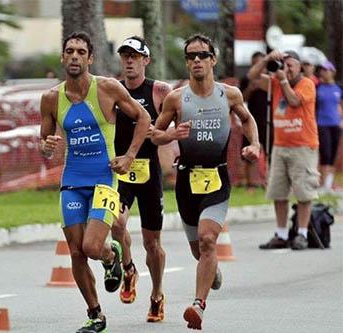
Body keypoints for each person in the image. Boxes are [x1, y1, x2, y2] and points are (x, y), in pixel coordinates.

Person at [40, 31, 150, 333]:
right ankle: (95, 314)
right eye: (69, 51)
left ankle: (111, 253)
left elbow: (143, 119)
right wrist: (46, 146)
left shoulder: (108, 88)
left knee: (91, 246)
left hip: (105, 179)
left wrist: (128, 156)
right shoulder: (51, 98)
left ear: (90, 58)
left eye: (80, 52)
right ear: (63, 58)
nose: (74, 56)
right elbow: (44, 140)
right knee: (75, 251)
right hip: (72, 180)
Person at [152, 34, 260, 330]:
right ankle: (211, 270)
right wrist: (171, 136)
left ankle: (198, 306)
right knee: (198, 250)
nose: (196, 60)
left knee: (208, 239)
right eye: (190, 56)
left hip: (216, 176)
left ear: (213, 59)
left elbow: (248, 120)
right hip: (186, 180)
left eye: (202, 55)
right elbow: (155, 134)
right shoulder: (176, 98)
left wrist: (256, 145)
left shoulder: (230, 94)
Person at [111, 36, 172, 322]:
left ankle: (157, 294)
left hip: (149, 175)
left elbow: (176, 123)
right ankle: (129, 268)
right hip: (122, 171)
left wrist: (178, 149)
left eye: (135, 56)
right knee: (116, 223)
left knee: (152, 243)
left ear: (146, 60)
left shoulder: (159, 91)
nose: (129, 61)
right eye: (125, 56)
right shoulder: (113, 91)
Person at [248, 50, 319, 251]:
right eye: (284, 64)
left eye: (291, 66)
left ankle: (302, 234)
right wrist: (267, 59)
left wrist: (284, 81)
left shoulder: (307, 84)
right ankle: (281, 234)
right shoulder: (275, 83)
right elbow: (252, 77)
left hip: (303, 146)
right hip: (280, 146)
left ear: (300, 67)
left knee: (304, 192)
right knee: (278, 192)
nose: (286, 69)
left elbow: (294, 101)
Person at [239, 51, 269, 189]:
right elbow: (241, 99)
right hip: (251, 120)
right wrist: (250, 88)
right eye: (256, 63)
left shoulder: (270, 80)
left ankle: (268, 182)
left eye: (262, 63)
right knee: (249, 153)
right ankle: (250, 184)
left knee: (269, 152)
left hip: (268, 121)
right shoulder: (247, 80)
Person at [316, 60, 342, 192]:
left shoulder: (338, 88)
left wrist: (341, 120)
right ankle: (322, 183)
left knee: (333, 154)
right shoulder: (318, 87)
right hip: (321, 124)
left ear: (332, 72)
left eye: (326, 70)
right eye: (322, 70)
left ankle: (328, 184)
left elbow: (340, 105)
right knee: (325, 152)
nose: (323, 72)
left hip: (335, 124)